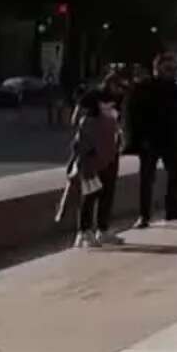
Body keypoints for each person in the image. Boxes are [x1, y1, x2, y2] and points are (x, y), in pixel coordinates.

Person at [128, 52, 177, 227]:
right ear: (156, 69)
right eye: (167, 68)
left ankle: (172, 210)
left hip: (174, 140)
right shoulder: (143, 88)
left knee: (175, 175)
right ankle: (144, 215)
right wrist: (137, 140)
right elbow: (132, 116)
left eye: (174, 69)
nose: (171, 72)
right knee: (147, 179)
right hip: (150, 141)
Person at [67, 77, 125, 247]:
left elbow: (118, 122)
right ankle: (84, 232)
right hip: (91, 154)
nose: (120, 91)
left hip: (109, 151)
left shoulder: (119, 98)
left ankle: (103, 230)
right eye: (118, 86)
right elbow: (75, 119)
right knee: (90, 193)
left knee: (108, 192)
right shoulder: (93, 96)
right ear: (109, 84)